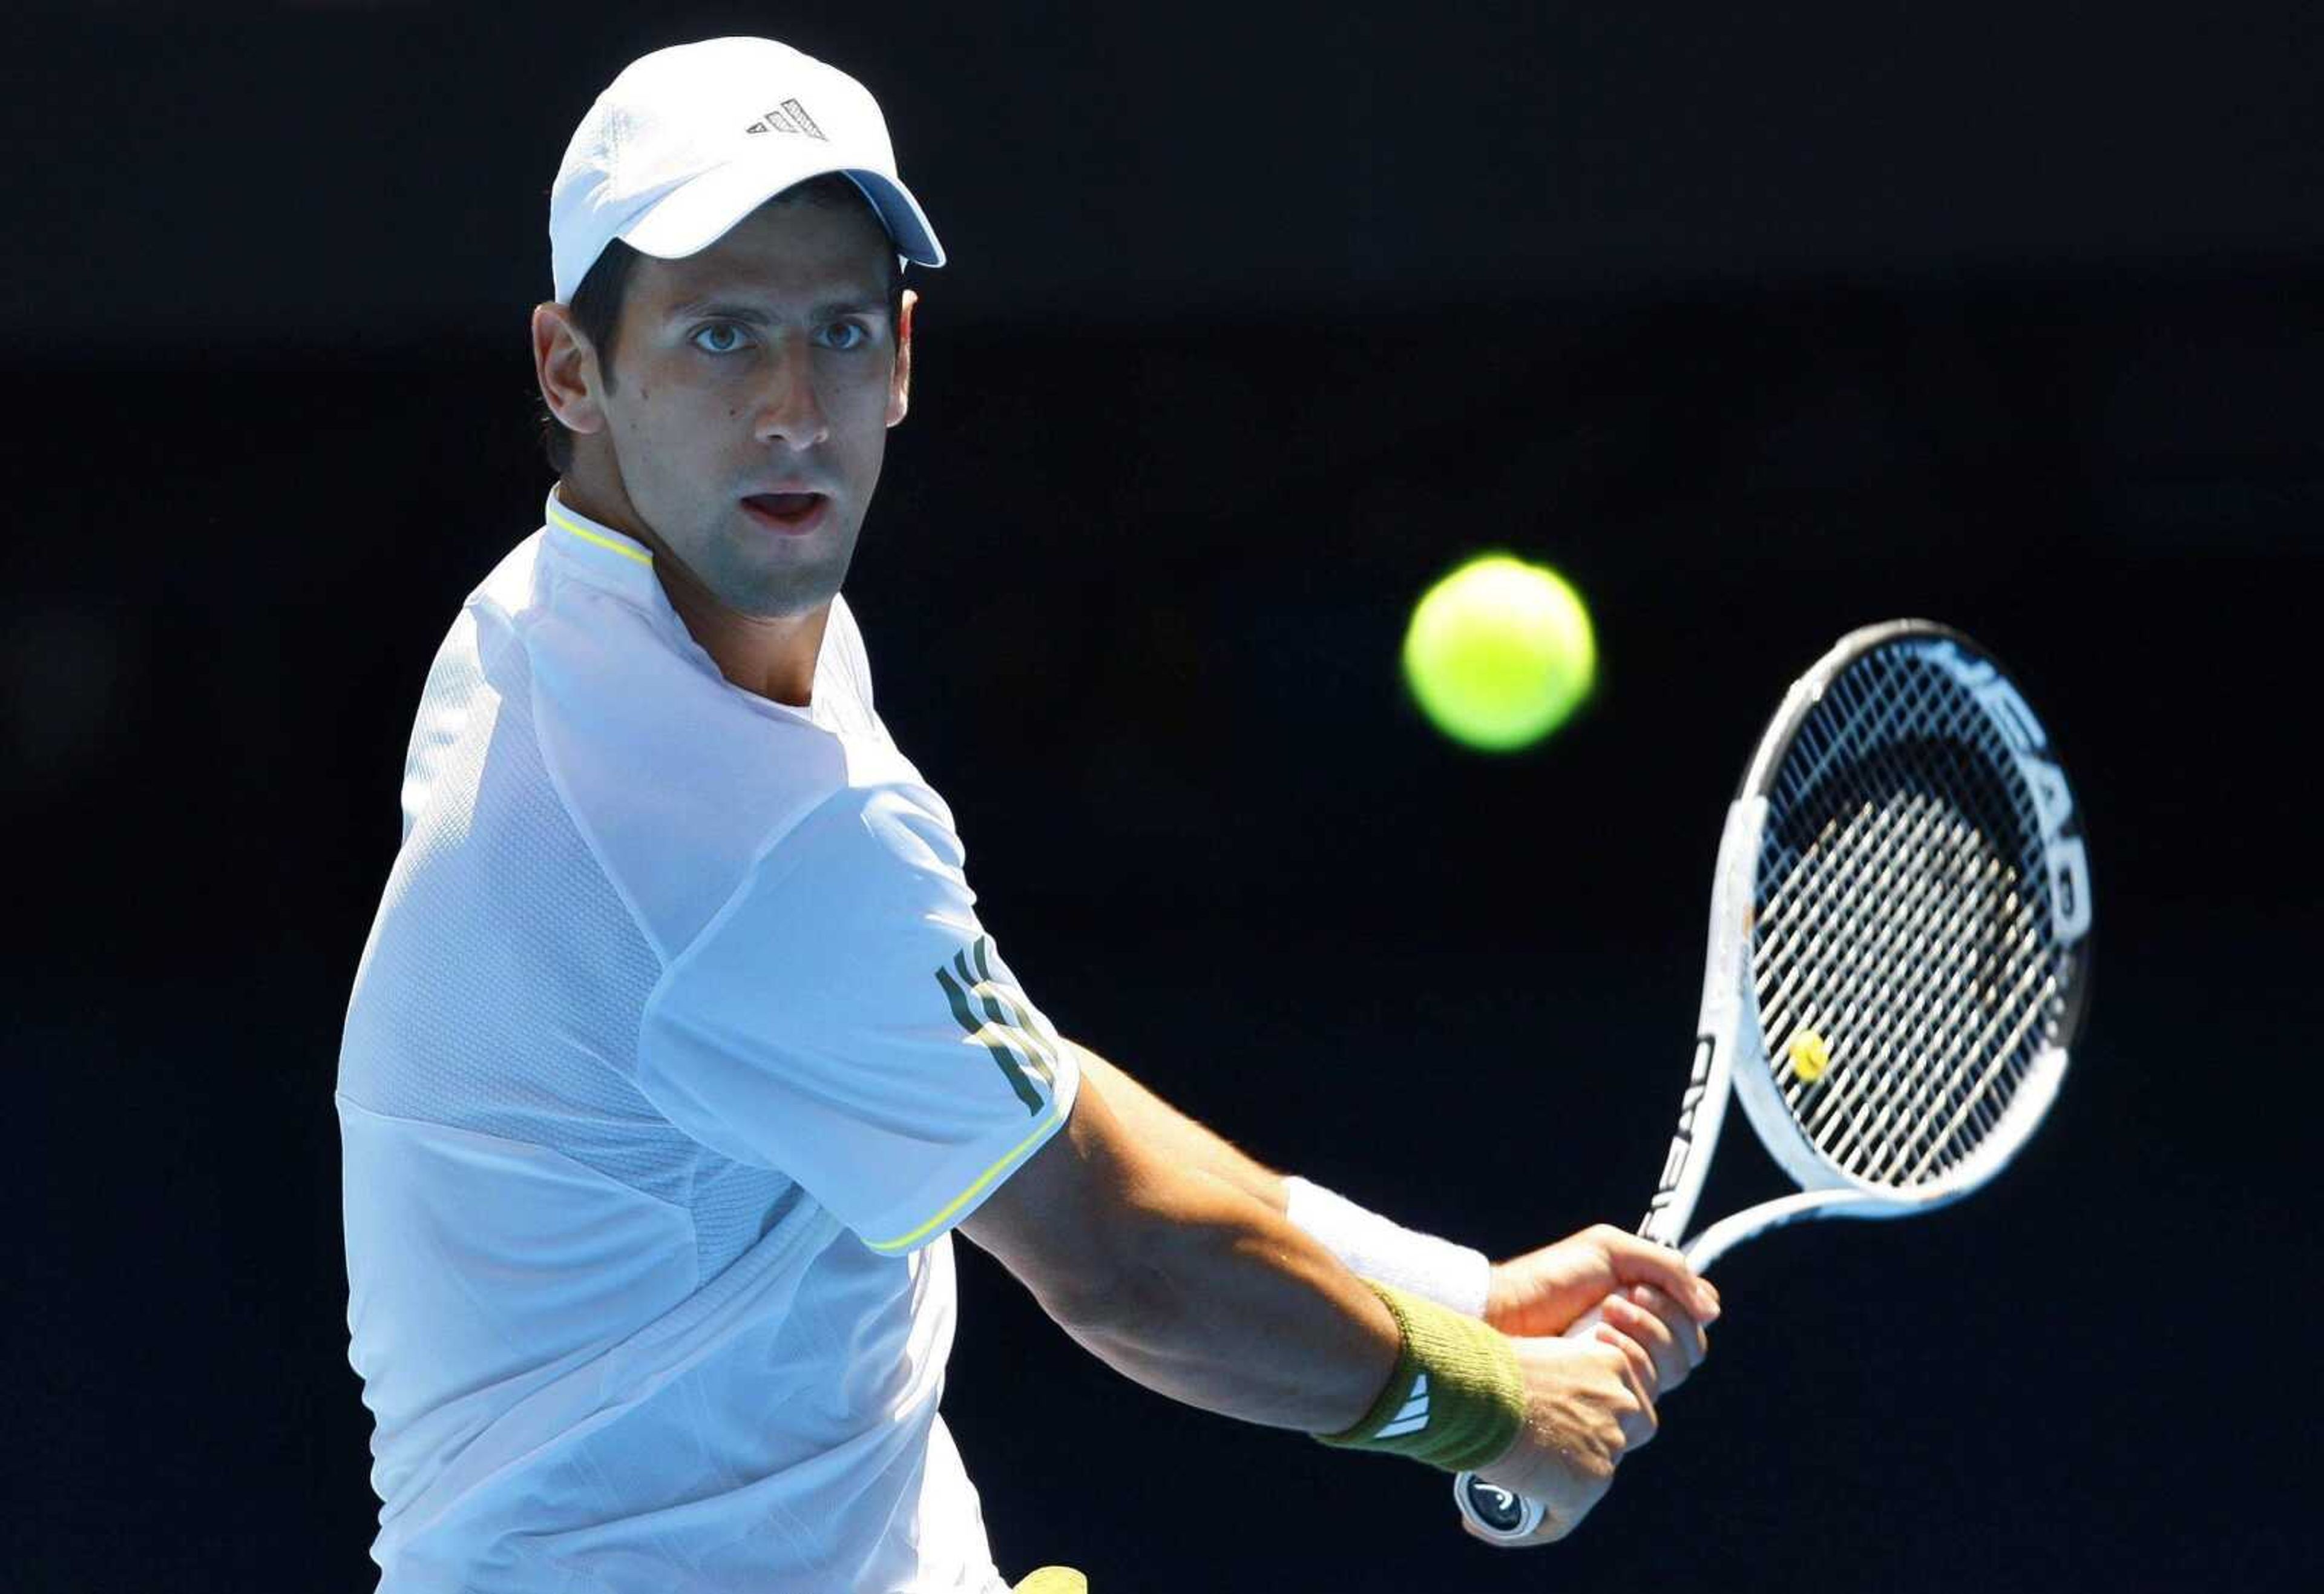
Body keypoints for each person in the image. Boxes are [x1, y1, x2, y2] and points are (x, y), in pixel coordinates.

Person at [335, 35, 1719, 1593]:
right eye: (723, 338)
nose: (797, 409)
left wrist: (1452, 1290)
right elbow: (1124, 1259)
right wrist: (1483, 1406)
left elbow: (1019, 1074)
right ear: (570, 370)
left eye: (840, 334)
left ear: (905, 356)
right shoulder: (736, 827)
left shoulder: (566, 621)